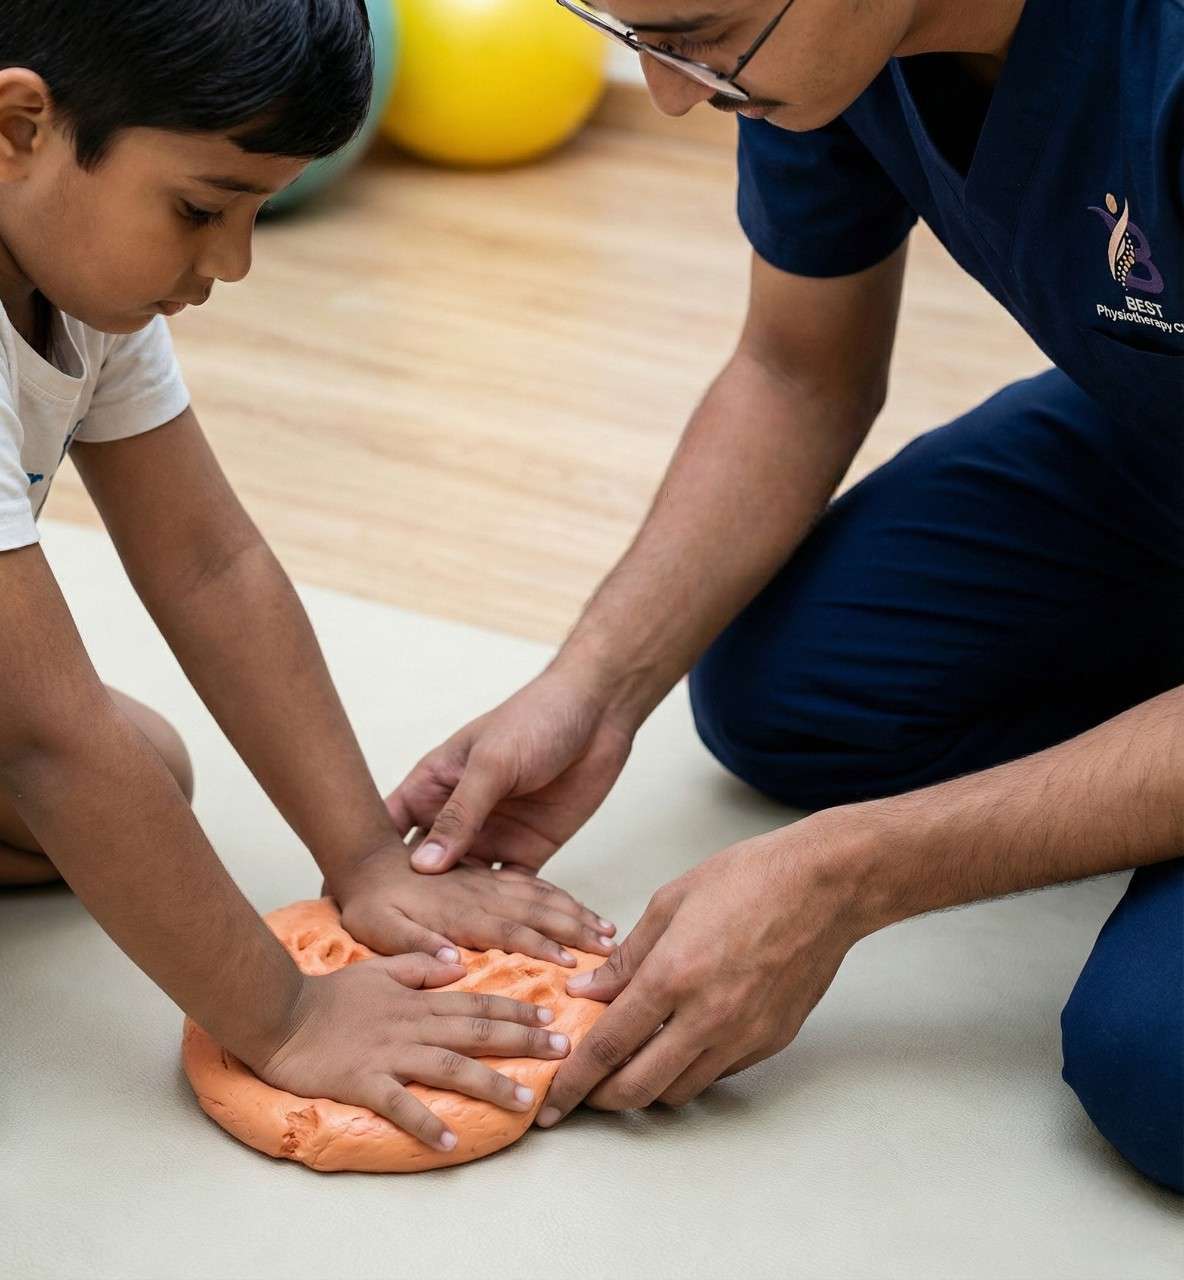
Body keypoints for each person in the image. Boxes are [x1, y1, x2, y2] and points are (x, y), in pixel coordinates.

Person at [392, 0, 1184, 1188]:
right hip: (1153, 435)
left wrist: (849, 871)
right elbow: (794, 369)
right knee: (788, 690)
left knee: (1156, 1061)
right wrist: (592, 689)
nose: (667, 96)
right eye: (630, 35)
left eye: (691, 33)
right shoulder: (828, 47)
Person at [0, 0, 619, 1156]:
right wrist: (282, 1014)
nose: (230, 264)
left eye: (255, 214)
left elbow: (209, 561)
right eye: (199, 208)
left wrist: (366, 859)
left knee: (144, 772)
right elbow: (47, 736)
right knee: (74, 762)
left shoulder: (81, 280)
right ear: (20, 126)